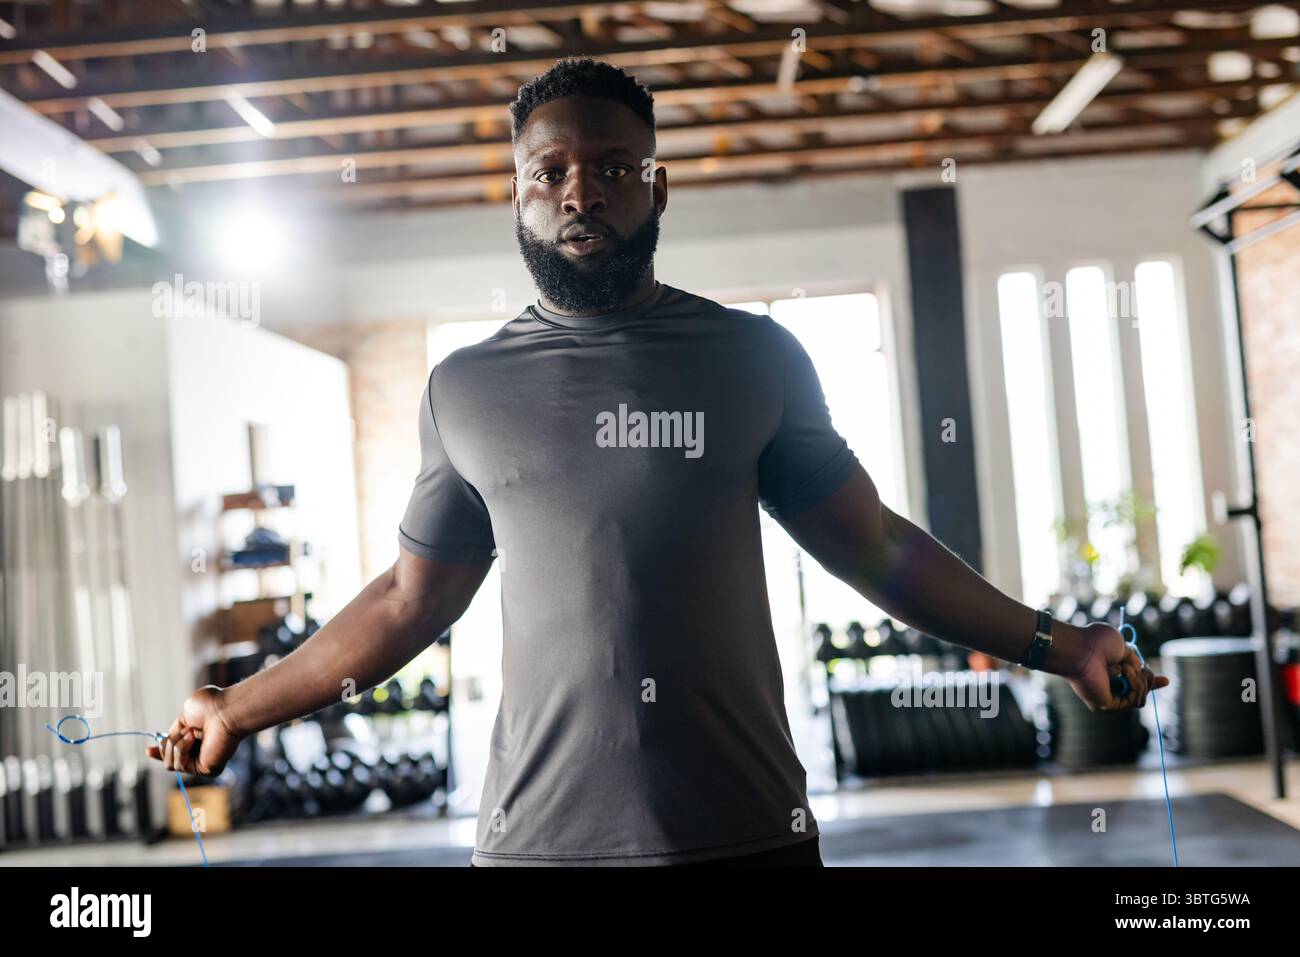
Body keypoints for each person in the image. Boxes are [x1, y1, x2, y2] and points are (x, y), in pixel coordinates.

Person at [147, 57, 1165, 867]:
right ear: (517, 193)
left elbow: (875, 548)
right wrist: (237, 706)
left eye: (611, 166)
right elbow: (409, 601)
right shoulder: (462, 387)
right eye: (549, 171)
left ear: (657, 185)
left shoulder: (754, 358)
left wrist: (1060, 646)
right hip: (536, 846)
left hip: (747, 832)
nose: (578, 190)